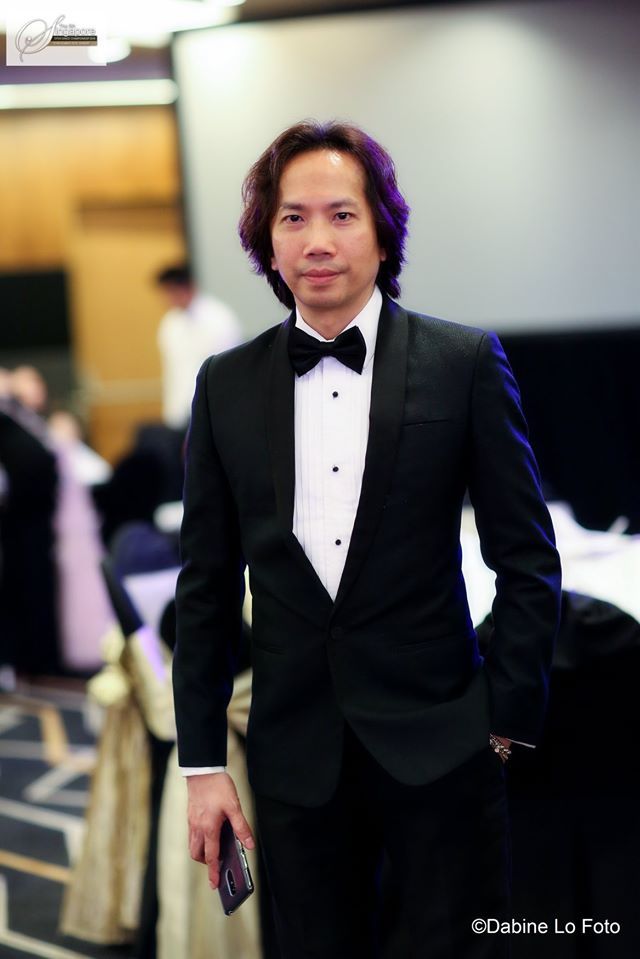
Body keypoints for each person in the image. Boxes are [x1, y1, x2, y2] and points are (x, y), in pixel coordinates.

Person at [172, 120, 562, 959]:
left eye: (342, 215)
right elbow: (204, 584)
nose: (317, 240)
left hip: (445, 744)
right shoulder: (224, 383)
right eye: (293, 218)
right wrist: (202, 764)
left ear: (383, 233)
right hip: (294, 757)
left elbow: (527, 557)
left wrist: (505, 720)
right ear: (268, 243)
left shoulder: (462, 361)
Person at [156, 263, 242, 430]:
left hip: (216, 411)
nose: (167, 298)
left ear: (188, 287)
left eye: (172, 291)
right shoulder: (169, 323)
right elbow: (172, 371)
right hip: (181, 413)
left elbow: (229, 371)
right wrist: (171, 413)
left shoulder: (219, 318)